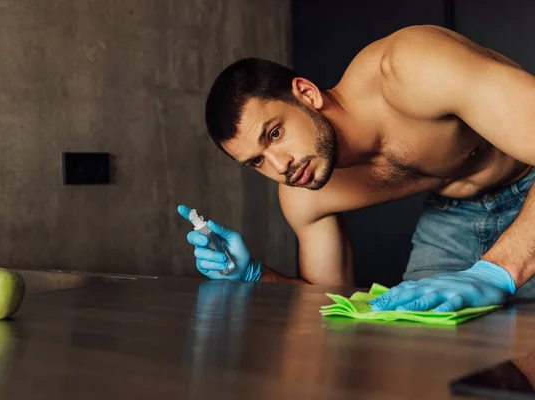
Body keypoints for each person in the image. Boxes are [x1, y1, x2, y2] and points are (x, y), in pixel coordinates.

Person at [177, 24, 535, 312]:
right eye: (256, 161)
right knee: (418, 339)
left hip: (527, 183)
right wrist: (256, 277)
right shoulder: (304, 196)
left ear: (306, 94)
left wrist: (497, 269)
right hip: (452, 213)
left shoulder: (411, 67)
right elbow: (331, 301)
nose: (279, 165)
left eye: (274, 133)